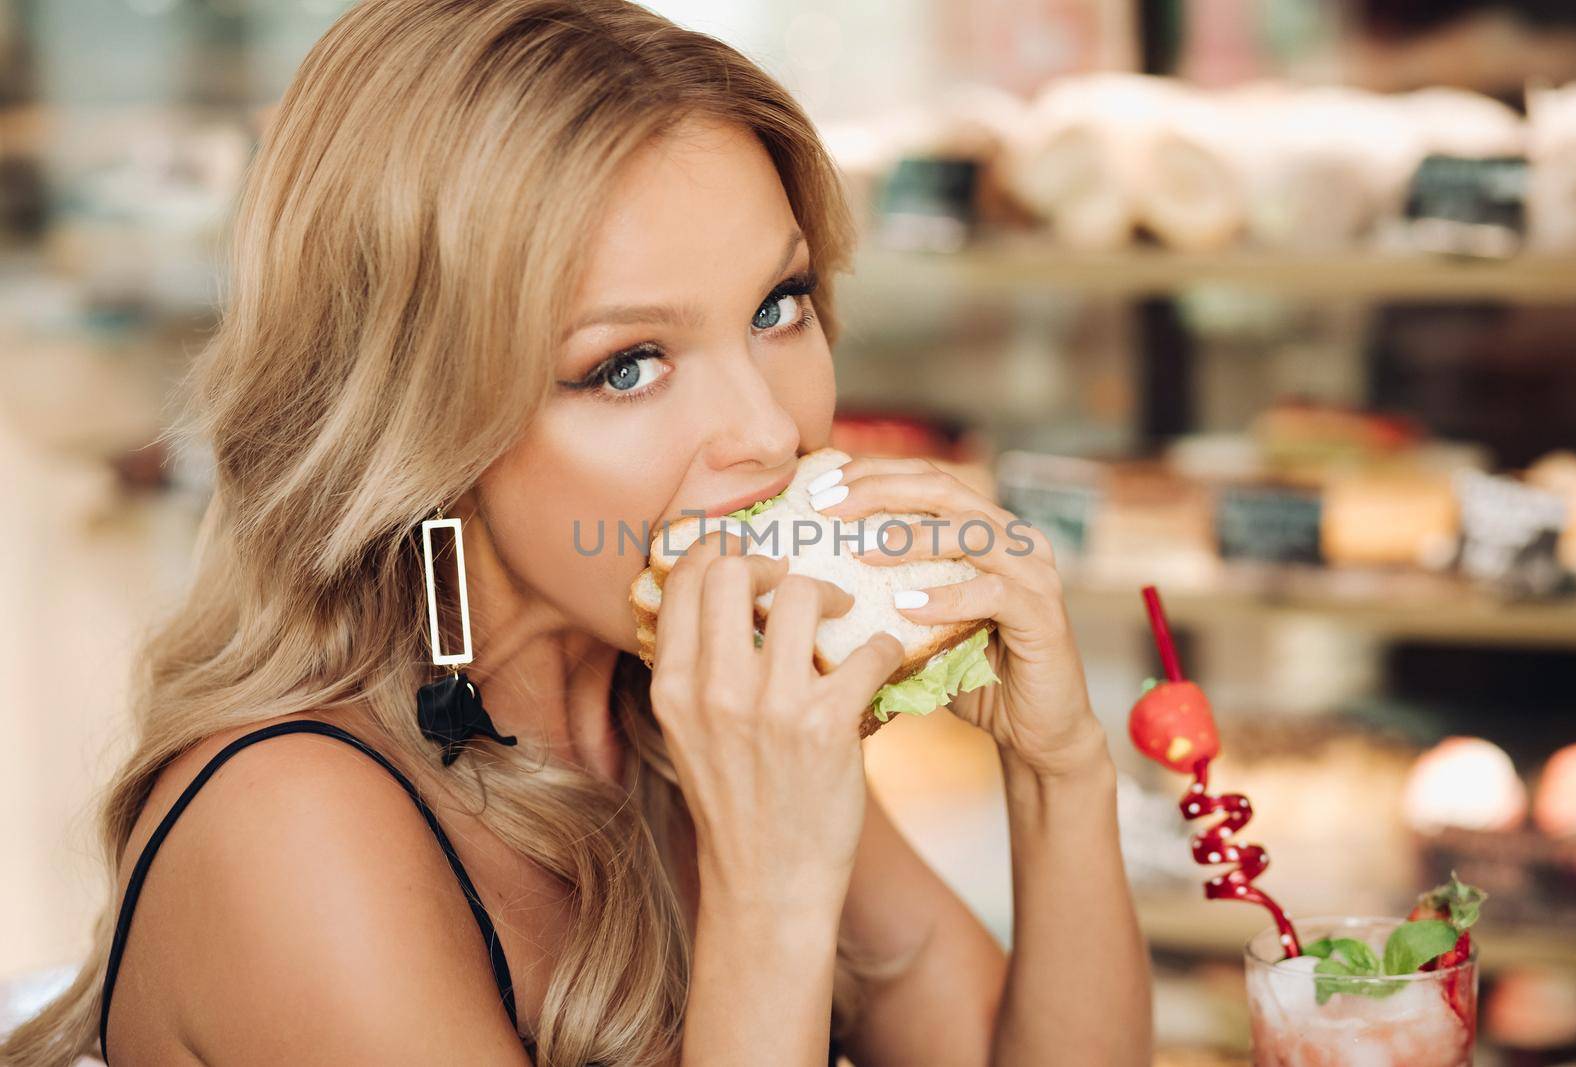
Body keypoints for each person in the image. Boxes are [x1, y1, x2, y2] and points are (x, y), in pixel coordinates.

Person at [0, 1, 1151, 1064]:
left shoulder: (664, 705)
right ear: (423, 425)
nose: (764, 429)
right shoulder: (288, 827)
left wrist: (1059, 769)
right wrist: (772, 893)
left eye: (777, 306)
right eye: (626, 366)